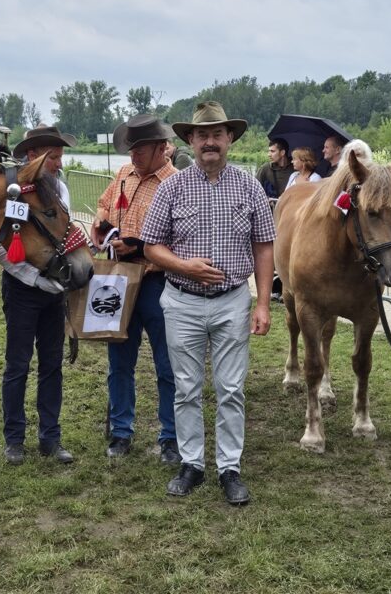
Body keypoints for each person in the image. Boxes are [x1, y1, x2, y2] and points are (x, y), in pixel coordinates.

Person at [141, 101, 276, 506]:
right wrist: (185, 266)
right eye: (203, 135)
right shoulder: (172, 187)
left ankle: (229, 467)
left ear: (230, 139)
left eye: (218, 134)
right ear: (190, 141)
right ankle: (192, 464)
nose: (210, 142)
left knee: (231, 387)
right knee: (186, 388)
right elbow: (150, 246)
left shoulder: (249, 185)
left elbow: (264, 245)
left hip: (232, 300)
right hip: (182, 301)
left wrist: (263, 303)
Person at [91, 114, 179, 464]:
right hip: (119, 278)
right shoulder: (123, 176)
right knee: (119, 361)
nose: (134, 154)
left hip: (156, 282)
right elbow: (103, 204)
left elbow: (179, 237)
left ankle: (170, 436)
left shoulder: (176, 182)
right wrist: (101, 225)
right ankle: (121, 431)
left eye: (140, 148)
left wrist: (141, 246)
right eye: (131, 147)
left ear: (161, 148)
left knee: (167, 364)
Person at [0, 123, 77, 466]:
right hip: (23, 290)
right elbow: (0, 250)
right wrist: (33, 279)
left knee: (52, 365)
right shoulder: (12, 193)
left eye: (59, 156)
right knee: (17, 365)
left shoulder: (61, 189)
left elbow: (66, 234)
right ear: (34, 156)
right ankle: (14, 439)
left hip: (54, 291)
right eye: (54, 157)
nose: (59, 163)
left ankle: (50, 437)